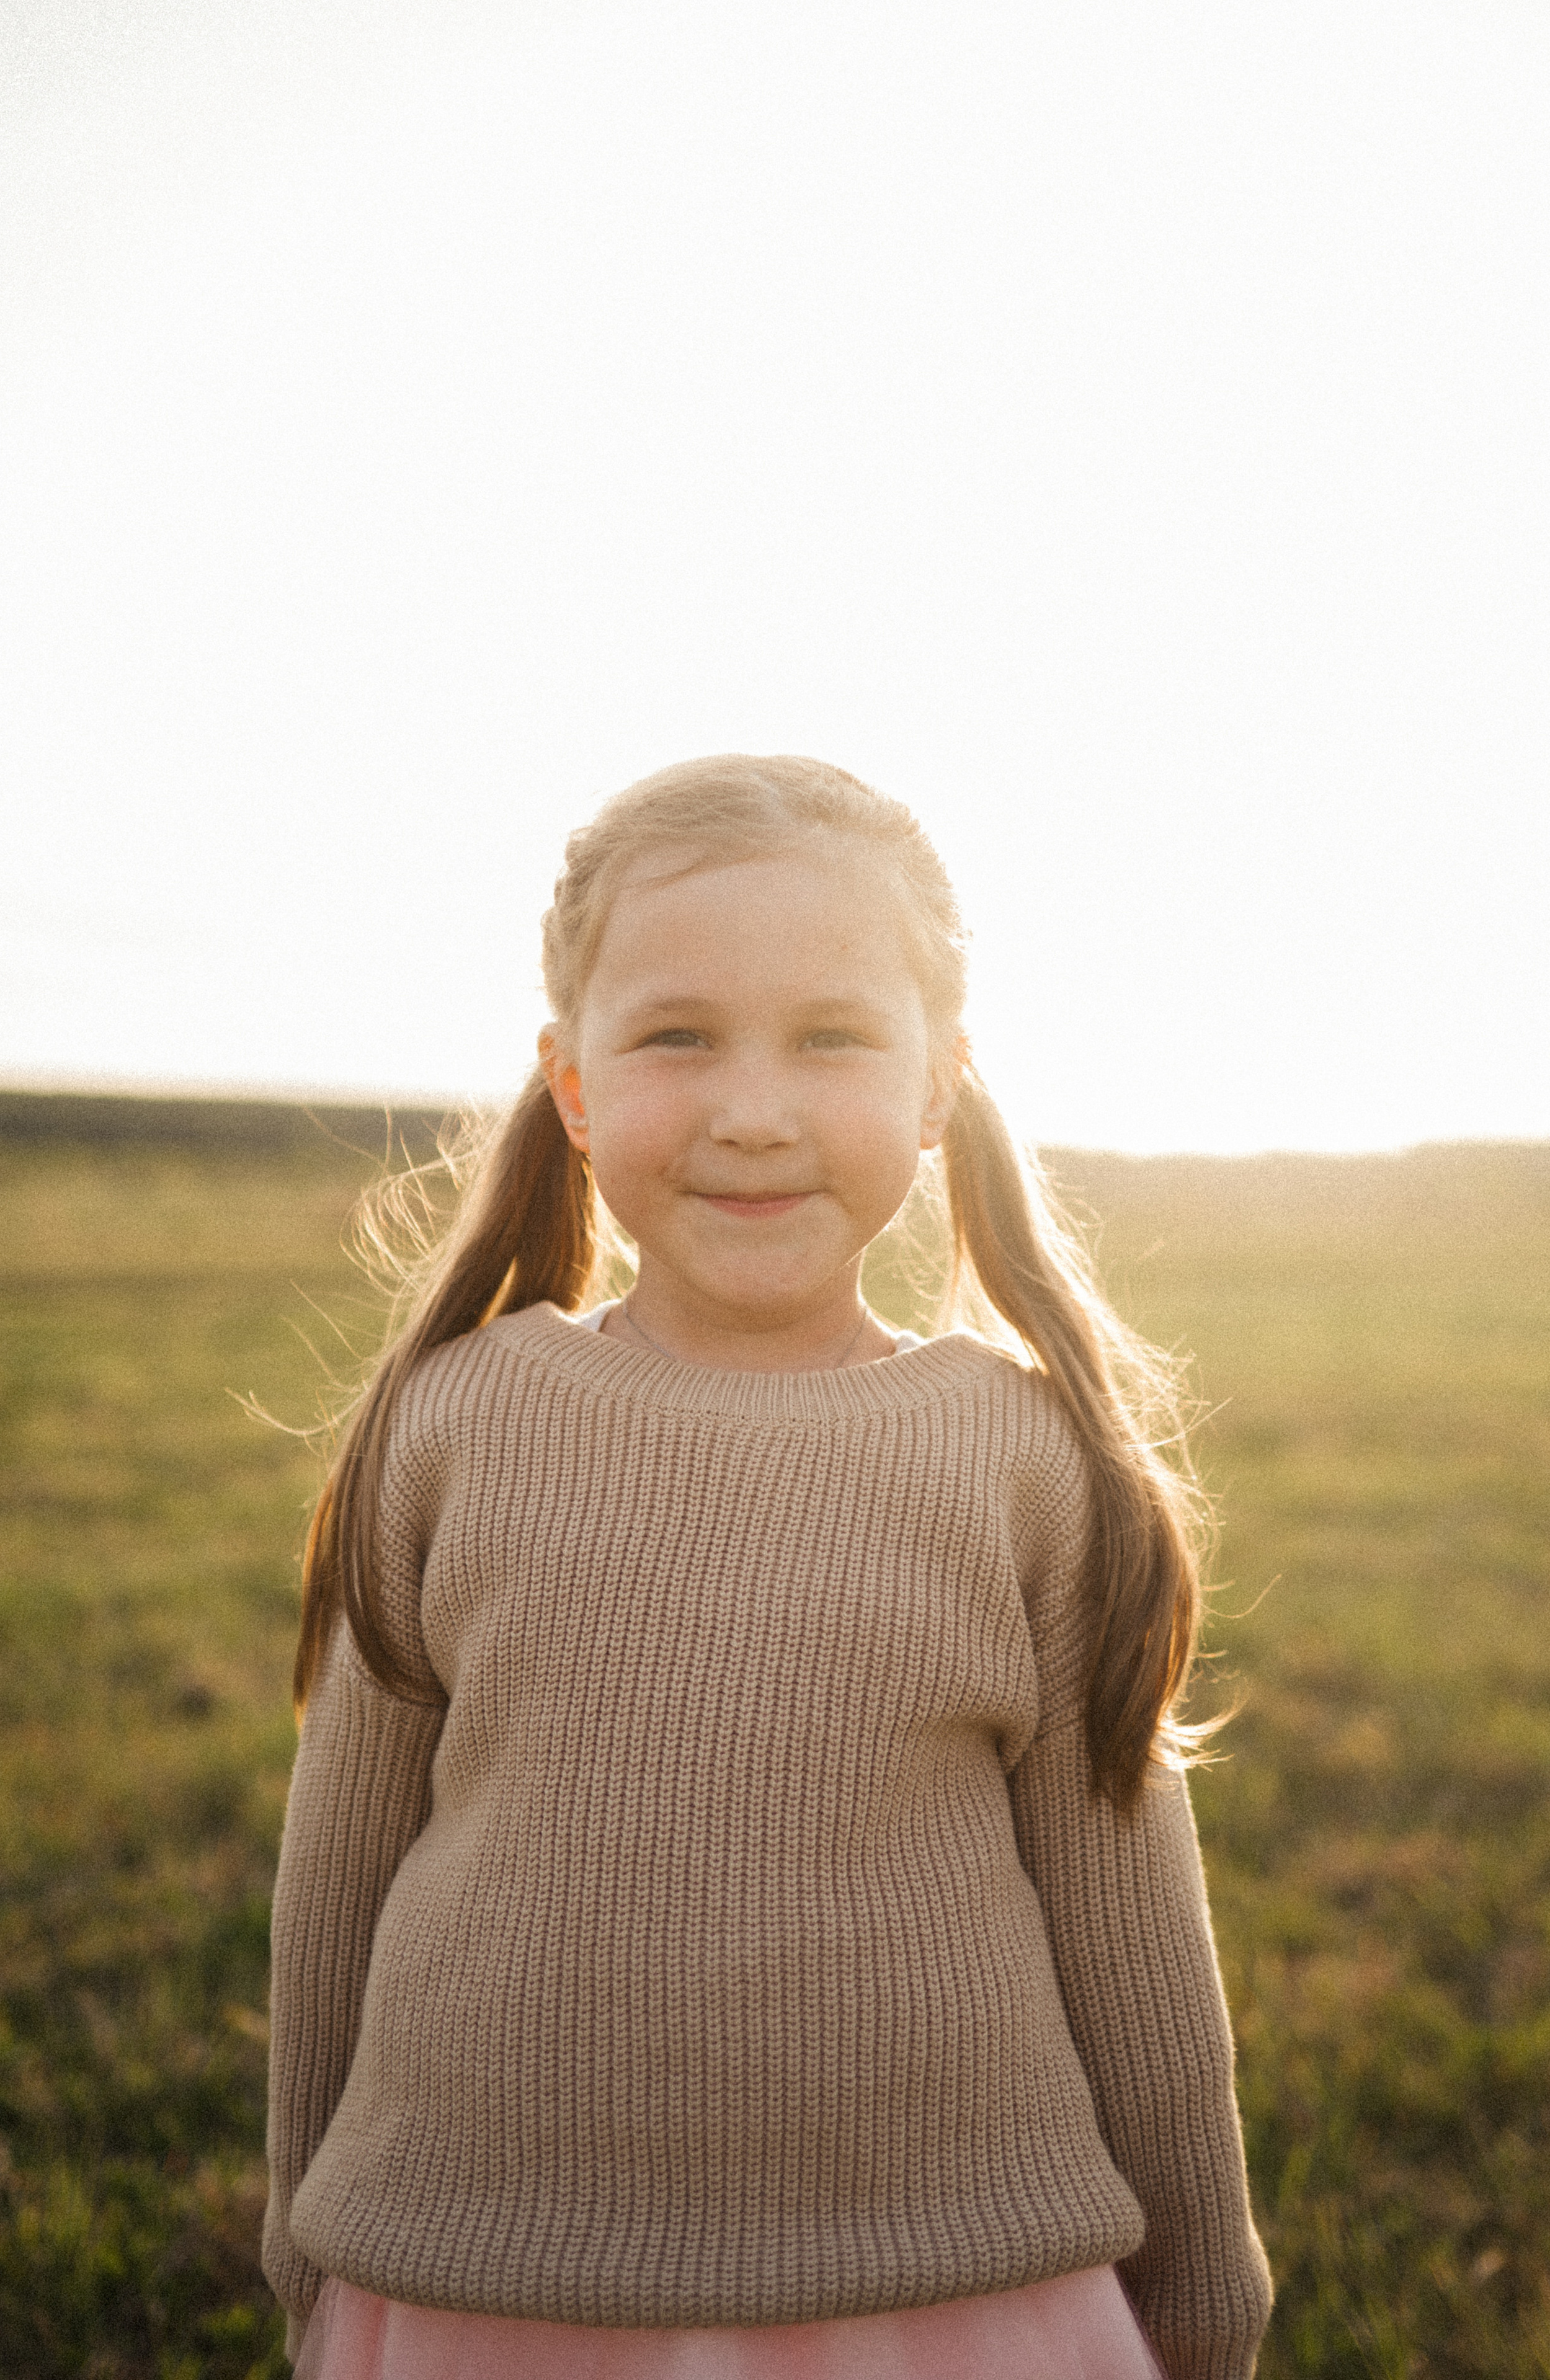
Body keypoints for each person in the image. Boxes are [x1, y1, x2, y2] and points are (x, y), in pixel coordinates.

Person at [262, 755, 1273, 2379]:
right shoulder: (454, 1422)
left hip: (952, 2296)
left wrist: (1206, 2290)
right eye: (678, 1036)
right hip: (485, 2287)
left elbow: (1131, 1925)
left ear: (938, 1085)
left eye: (832, 1037)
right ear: (572, 1085)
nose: (752, 1109)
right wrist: (305, 2238)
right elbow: (339, 1874)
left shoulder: (1024, 1460)